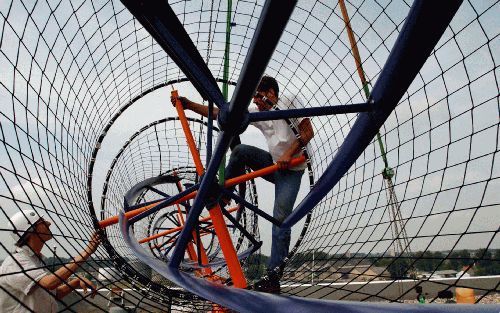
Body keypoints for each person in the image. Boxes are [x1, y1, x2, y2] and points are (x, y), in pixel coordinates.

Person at [171, 75, 314, 293]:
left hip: (291, 171)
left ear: (272, 94)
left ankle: (273, 278)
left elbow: (307, 132)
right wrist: (189, 105)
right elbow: (223, 114)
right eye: (254, 97)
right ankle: (224, 195)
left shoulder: (289, 101)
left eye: (258, 96)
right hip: (275, 164)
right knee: (240, 152)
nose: (255, 101)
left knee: (281, 221)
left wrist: (288, 153)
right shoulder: (259, 114)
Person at [0, 210, 101, 312]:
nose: (49, 223)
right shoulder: (14, 262)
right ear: (31, 230)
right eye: (42, 222)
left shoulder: (36, 261)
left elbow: (53, 294)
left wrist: (76, 282)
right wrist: (87, 251)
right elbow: (49, 283)